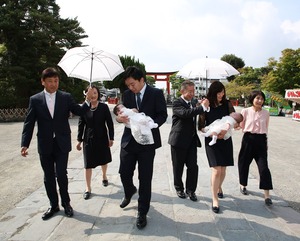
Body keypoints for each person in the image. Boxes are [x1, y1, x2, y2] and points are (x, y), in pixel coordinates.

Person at [21, 67, 93, 220]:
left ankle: (66, 203)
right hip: (44, 143)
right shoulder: (35, 99)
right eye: (50, 81)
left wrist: (87, 100)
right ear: (43, 82)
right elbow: (29, 122)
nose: (53, 84)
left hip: (62, 142)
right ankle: (53, 205)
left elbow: (79, 111)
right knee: (48, 176)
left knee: (61, 174)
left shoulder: (65, 97)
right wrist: (24, 144)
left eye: (56, 81)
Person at [116, 66, 167, 229]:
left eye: (133, 84)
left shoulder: (156, 94)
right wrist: (120, 118)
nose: (131, 88)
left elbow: (162, 115)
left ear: (142, 80)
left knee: (145, 178)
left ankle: (142, 211)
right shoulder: (127, 94)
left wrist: (150, 123)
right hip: (129, 141)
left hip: (147, 142)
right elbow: (120, 112)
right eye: (128, 85)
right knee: (124, 172)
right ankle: (129, 190)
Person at [168, 80, 209, 202]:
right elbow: (186, 114)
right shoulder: (177, 103)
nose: (192, 94)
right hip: (178, 140)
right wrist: (201, 107)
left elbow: (199, 111)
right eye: (189, 91)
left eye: (193, 91)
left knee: (193, 166)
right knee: (178, 166)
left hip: (191, 140)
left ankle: (191, 190)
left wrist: (203, 106)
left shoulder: (194, 102)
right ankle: (179, 188)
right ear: (182, 91)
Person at [198, 81, 235, 213]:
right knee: (216, 170)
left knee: (223, 169)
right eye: (219, 93)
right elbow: (200, 127)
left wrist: (227, 129)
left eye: (223, 92)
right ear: (213, 93)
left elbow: (234, 120)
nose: (221, 95)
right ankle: (215, 199)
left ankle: (218, 187)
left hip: (225, 139)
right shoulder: (206, 105)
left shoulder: (227, 104)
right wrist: (210, 132)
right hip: (212, 140)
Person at [76, 85, 114, 200]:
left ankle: (104, 176)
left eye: (95, 93)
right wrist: (79, 140)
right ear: (86, 95)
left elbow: (110, 123)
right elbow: (81, 124)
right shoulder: (84, 108)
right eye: (90, 93)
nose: (92, 95)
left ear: (98, 95)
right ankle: (88, 188)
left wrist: (111, 138)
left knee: (103, 159)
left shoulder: (103, 107)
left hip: (102, 137)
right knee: (88, 164)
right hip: (88, 139)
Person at [238, 90, 273, 206]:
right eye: (257, 98)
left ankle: (267, 195)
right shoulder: (246, 111)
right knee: (243, 163)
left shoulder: (266, 113)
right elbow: (240, 126)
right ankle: (243, 184)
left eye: (262, 99)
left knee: (264, 168)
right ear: (252, 99)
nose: (260, 101)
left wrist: (265, 142)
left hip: (261, 141)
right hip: (248, 139)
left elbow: (266, 128)